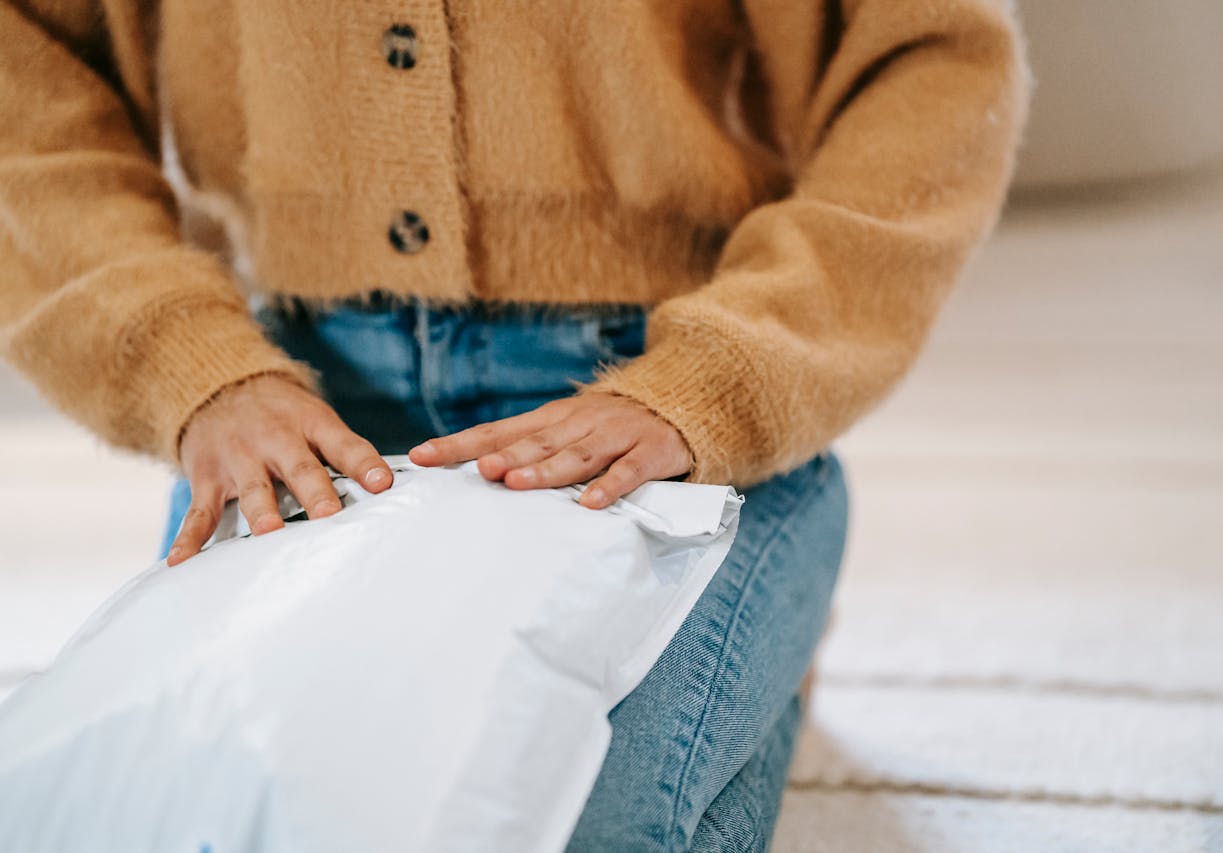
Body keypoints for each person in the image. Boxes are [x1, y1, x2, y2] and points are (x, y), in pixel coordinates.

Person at [0, 1, 1028, 849]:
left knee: (560, 824)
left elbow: (930, 58)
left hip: (663, 416)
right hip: (300, 410)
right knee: (183, 812)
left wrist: (726, 375)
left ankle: (759, 615)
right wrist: (185, 360)